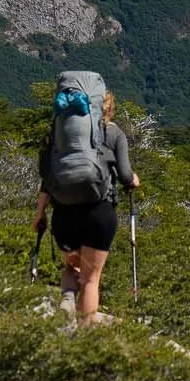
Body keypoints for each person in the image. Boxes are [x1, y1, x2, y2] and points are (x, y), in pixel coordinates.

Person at [33, 82, 138, 327]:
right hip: (99, 214)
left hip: (64, 213)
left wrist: (40, 214)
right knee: (91, 280)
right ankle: (85, 338)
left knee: (72, 267)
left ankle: (68, 296)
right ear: (108, 109)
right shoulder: (114, 134)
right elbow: (125, 175)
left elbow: (47, 180)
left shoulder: (58, 134)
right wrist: (133, 180)